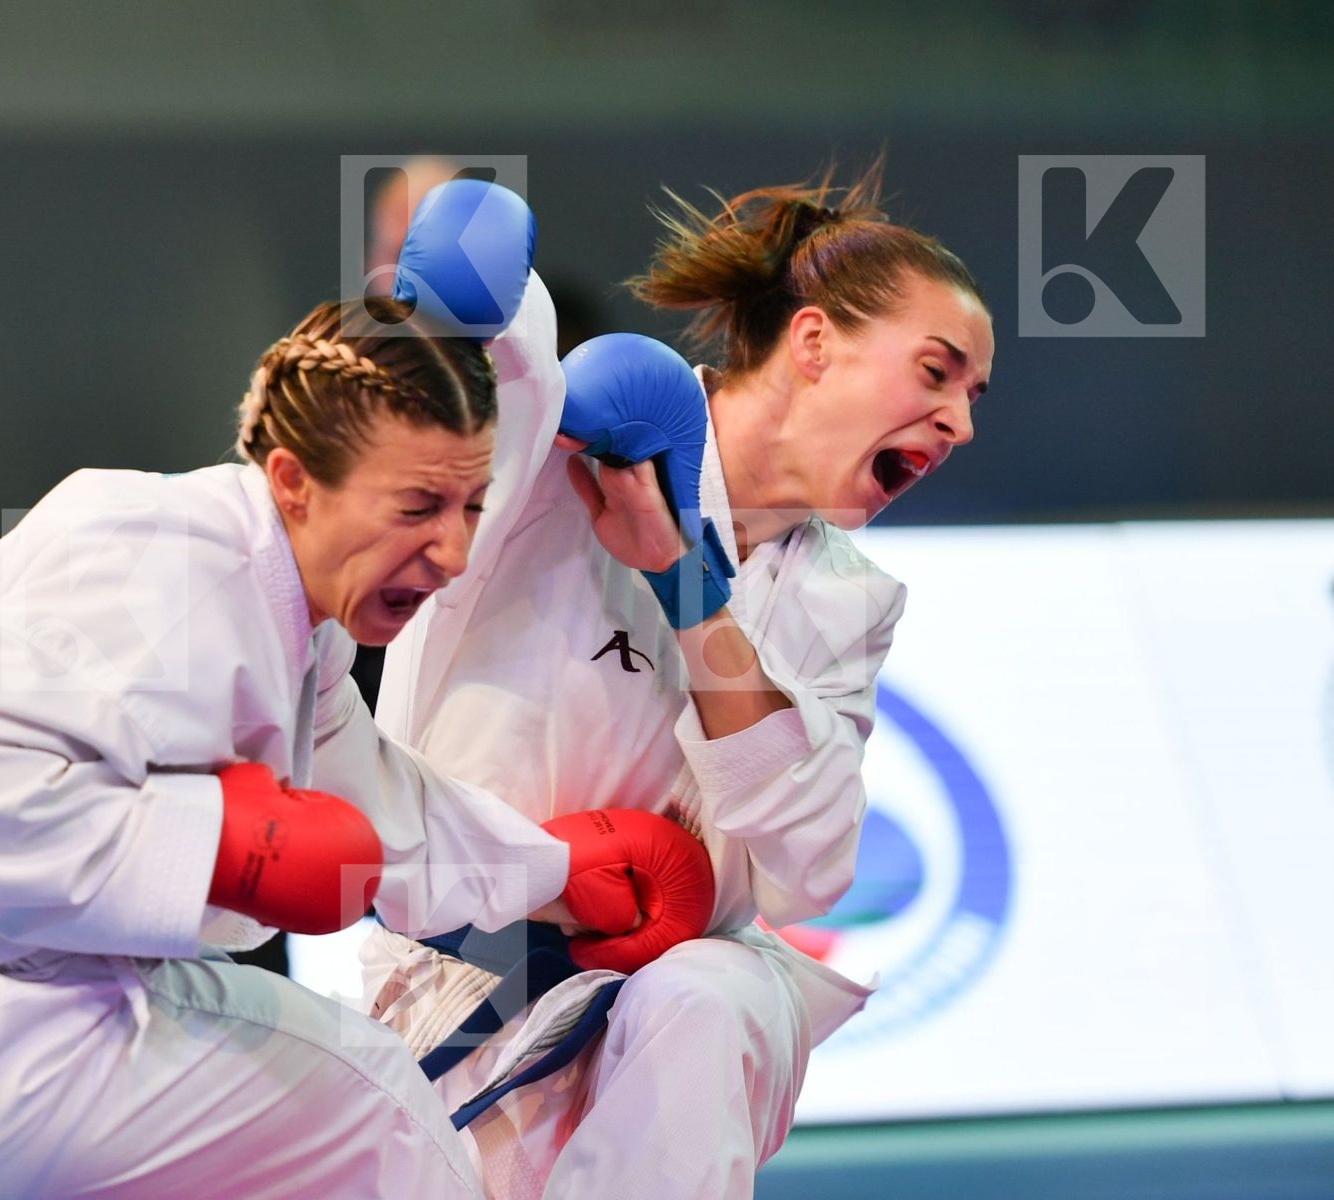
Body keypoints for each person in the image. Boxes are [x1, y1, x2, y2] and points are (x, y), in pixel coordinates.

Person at [0, 181, 717, 1200]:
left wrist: (566, 870)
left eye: (471, 509)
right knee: (376, 1109)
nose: (456, 553)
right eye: (419, 508)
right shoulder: (162, 551)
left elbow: (382, 819)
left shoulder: (289, 623)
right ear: (292, 481)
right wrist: (224, 841)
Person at [362, 162, 996, 1198]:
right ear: (814, 342)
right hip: (457, 985)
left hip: (685, 1024)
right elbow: (500, 372)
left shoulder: (850, 598)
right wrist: (465, 285)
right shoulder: (577, 442)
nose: (961, 422)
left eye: (972, 396)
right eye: (936, 372)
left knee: (707, 991)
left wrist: (693, 590)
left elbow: (813, 861)